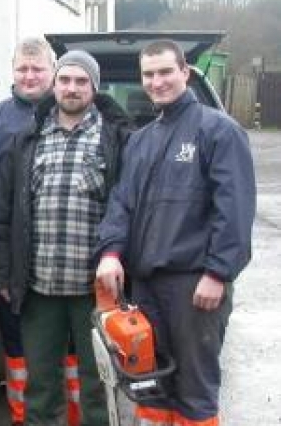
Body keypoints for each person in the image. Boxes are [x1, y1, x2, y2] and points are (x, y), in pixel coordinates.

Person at [95, 40, 256, 426]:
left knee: (194, 390)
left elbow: (234, 211)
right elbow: (121, 203)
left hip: (195, 287)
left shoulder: (218, 131)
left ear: (185, 72)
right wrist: (111, 252)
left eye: (166, 71)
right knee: (151, 385)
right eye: (149, 74)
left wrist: (218, 273)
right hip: (146, 286)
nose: (157, 81)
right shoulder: (142, 140)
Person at [0, 50, 133, 426]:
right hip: (39, 290)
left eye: (81, 81)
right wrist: (3, 274)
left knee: (99, 383)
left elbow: (130, 210)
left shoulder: (117, 138)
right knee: (41, 386)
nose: (71, 88)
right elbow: (2, 213)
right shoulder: (27, 140)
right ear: (54, 84)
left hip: (95, 292)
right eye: (65, 80)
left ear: (94, 87)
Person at [0, 37, 83, 425]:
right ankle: (25, 417)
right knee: (17, 344)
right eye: (22, 69)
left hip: (66, 258)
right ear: (12, 71)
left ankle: (75, 416)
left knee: (72, 346)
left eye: (37, 69)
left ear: (53, 71)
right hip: (9, 258)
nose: (29, 76)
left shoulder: (77, 118)